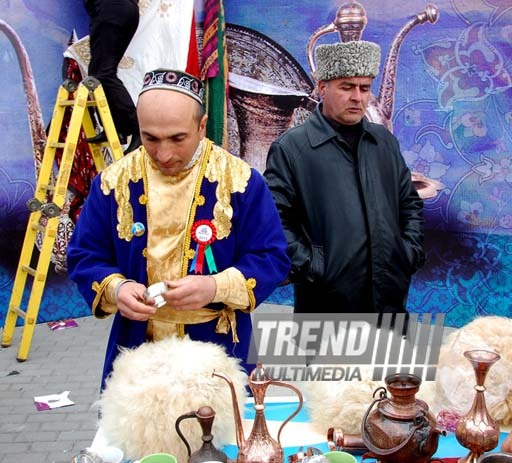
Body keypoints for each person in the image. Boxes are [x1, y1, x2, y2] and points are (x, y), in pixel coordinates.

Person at [67, 69, 290, 387]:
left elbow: (272, 259)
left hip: (219, 347)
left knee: (223, 431)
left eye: (177, 138)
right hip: (136, 348)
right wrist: (117, 289)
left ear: (201, 127)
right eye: (150, 138)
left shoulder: (241, 181)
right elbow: (84, 255)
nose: (164, 154)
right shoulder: (112, 182)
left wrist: (214, 287)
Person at [264, 41, 425, 314]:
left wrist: (408, 253)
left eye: (364, 88)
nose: (358, 97)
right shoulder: (292, 149)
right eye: (347, 87)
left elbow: (409, 204)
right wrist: (314, 266)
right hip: (326, 305)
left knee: (391, 358)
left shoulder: (384, 142)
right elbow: (275, 219)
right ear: (322, 87)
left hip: (389, 301)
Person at [83, 0, 141, 151]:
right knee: (99, 73)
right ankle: (116, 127)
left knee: (103, 74)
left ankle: (137, 128)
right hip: (120, 10)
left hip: (111, 9)